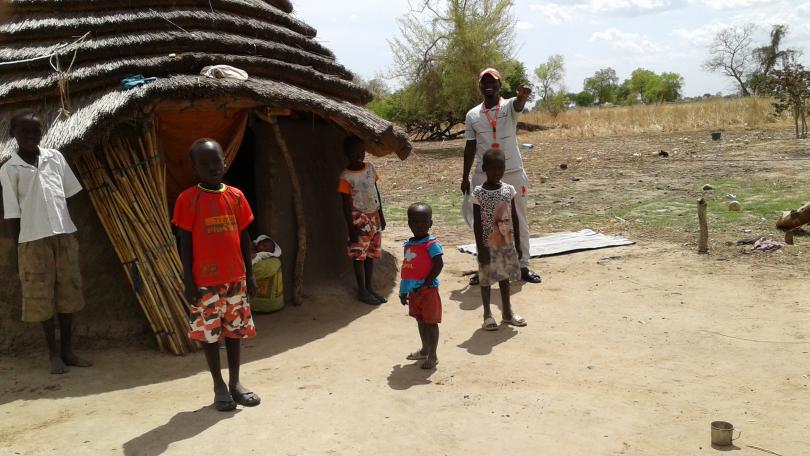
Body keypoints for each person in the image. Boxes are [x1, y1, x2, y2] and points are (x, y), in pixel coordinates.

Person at [0, 109, 92, 374]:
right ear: (13, 135)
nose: (31, 136)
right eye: (24, 131)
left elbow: (69, 194)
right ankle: (52, 354)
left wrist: (71, 232)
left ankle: (67, 350)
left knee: (68, 293)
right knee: (41, 296)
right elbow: (12, 213)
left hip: (63, 235)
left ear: (43, 132)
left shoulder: (56, 158)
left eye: (36, 131)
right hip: (32, 240)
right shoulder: (9, 169)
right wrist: (19, 248)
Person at [173, 138, 260, 412]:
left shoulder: (236, 196)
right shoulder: (187, 200)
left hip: (236, 279)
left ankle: (235, 383)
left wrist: (250, 274)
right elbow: (184, 243)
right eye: (205, 163)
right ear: (195, 168)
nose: (213, 167)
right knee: (209, 336)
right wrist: (188, 281)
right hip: (205, 283)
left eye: (216, 161)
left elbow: (245, 237)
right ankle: (218, 386)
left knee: (235, 333)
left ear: (225, 160)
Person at [461, 67, 542, 285]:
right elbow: (470, 147)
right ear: (479, 86)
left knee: (519, 219)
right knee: (485, 223)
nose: (489, 86)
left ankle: (523, 266)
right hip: (483, 176)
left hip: (513, 172)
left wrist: (523, 96)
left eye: (493, 82)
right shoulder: (472, 115)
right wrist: (465, 176)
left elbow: (518, 104)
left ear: (500, 85)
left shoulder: (509, 106)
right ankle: (486, 267)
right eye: (484, 82)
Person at [472, 149, 528, 331]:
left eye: (501, 168)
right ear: (484, 168)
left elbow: (515, 218)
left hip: (506, 243)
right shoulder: (479, 193)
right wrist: (481, 249)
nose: (497, 172)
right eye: (493, 169)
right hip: (487, 245)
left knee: (505, 279)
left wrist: (518, 245)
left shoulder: (508, 190)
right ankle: (487, 314)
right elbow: (477, 224)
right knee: (487, 280)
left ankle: (507, 313)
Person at [338, 135, 387, 305]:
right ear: (346, 154)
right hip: (359, 219)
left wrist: (381, 214)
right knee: (359, 254)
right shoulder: (346, 176)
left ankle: (369, 287)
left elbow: (376, 191)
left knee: (371, 254)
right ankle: (362, 291)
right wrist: (350, 227)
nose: (358, 155)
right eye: (354, 152)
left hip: (374, 216)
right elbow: (345, 204)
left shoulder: (370, 168)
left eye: (361, 151)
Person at [399, 203, 443, 369]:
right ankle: (425, 349)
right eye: (415, 222)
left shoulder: (431, 244)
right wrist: (403, 291)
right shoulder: (408, 245)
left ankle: (433, 355)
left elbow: (439, 264)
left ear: (430, 223)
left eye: (423, 222)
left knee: (431, 322)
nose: (419, 226)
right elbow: (407, 270)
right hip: (414, 292)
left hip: (428, 290)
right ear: (409, 223)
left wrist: (426, 283)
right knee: (420, 320)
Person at [251, 234, 284, 313]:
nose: (263, 248)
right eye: (262, 245)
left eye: (266, 249)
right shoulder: (252, 246)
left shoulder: (262, 255)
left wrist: (255, 257)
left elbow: (256, 257)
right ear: (259, 242)